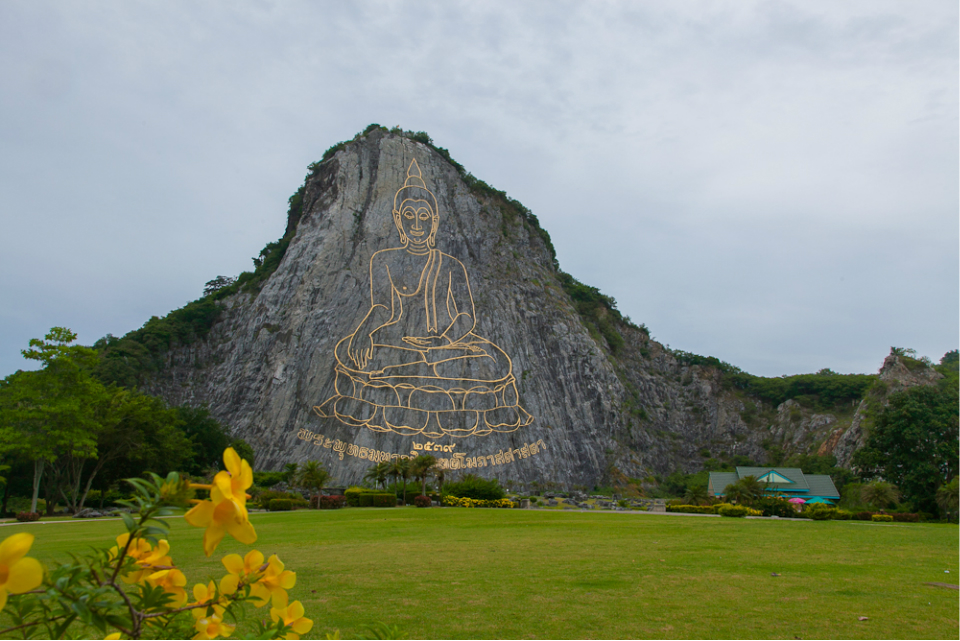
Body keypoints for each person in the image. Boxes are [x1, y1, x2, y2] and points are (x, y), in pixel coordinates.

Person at [315, 159, 533, 438]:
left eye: (424, 216)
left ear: (434, 221)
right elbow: (383, 307)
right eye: (409, 215)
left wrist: (443, 341)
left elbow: (466, 316)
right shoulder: (384, 259)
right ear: (398, 219)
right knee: (355, 352)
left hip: (448, 346)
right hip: (399, 342)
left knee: (492, 361)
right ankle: (416, 381)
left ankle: (398, 383)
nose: (417, 224)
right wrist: (363, 331)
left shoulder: (451, 264)